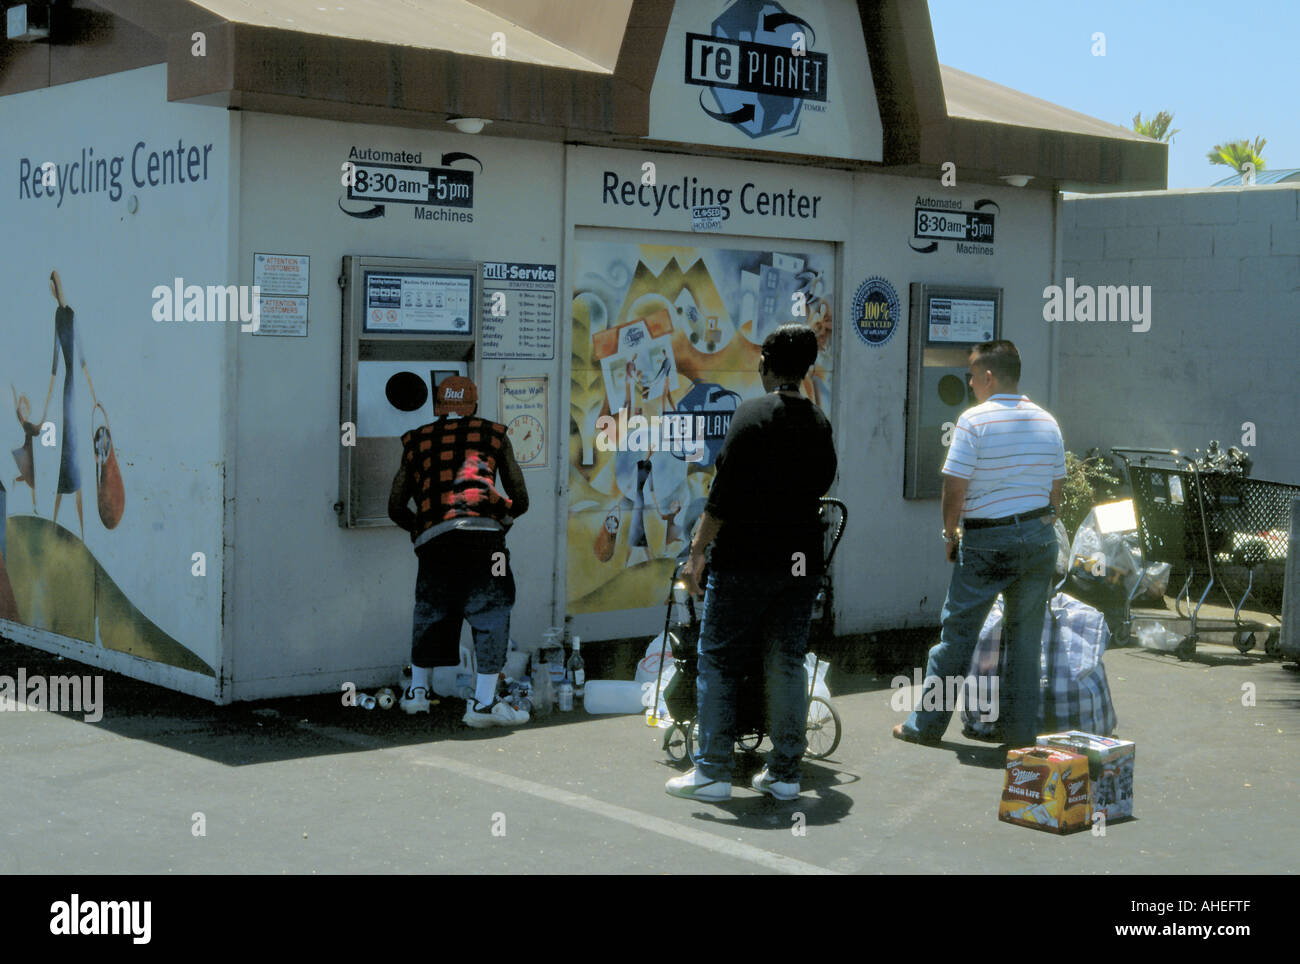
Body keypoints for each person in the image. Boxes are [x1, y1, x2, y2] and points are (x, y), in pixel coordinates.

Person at [666, 324, 837, 802]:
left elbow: (721, 499)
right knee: (785, 660)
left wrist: (697, 553)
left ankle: (714, 772)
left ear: (765, 361)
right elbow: (823, 482)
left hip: (747, 559)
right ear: (805, 368)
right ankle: (784, 774)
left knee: (718, 658)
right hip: (802, 560)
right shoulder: (819, 422)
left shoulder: (750, 417)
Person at [893, 340, 1065, 749]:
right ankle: (1020, 736)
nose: (969, 383)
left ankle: (925, 726)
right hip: (1039, 539)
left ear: (988, 377)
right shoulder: (1047, 422)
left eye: (972, 376)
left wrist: (950, 534)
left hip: (988, 540)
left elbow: (954, 489)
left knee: (957, 637)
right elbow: (1056, 492)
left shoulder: (974, 421)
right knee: (1025, 643)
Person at [387, 375, 530, 728]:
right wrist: (503, 522)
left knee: (432, 609)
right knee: (493, 610)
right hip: (487, 544)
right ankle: (483, 703)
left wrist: (422, 530)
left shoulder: (415, 440)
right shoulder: (495, 435)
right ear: (475, 406)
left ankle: (417, 693)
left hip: (435, 543)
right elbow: (522, 500)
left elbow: (394, 506)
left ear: (437, 407)